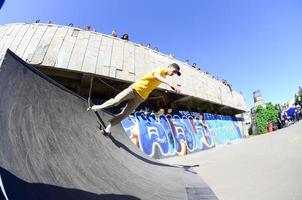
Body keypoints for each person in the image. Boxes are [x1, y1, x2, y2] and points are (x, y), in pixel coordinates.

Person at [88, 63, 181, 135]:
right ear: (169, 66)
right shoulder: (159, 70)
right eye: (174, 71)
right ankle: (97, 107)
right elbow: (156, 76)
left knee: (125, 114)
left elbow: (157, 80)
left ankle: (109, 126)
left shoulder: (164, 77)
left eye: (175, 73)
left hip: (141, 97)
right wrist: (170, 84)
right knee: (116, 101)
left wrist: (170, 85)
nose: (173, 74)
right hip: (134, 89)